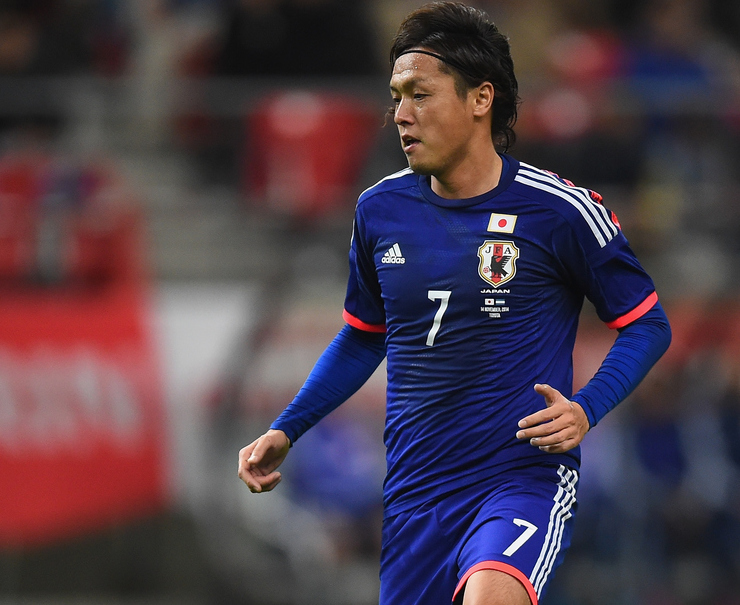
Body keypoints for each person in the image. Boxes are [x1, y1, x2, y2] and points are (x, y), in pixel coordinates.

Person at [238, 2, 672, 604]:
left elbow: (647, 324)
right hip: (415, 494)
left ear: (480, 99)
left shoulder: (560, 211)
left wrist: (586, 409)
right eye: (396, 97)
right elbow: (364, 336)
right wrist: (288, 428)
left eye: (420, 95)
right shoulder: (380, 210)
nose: (401, 115)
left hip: (519, 480)